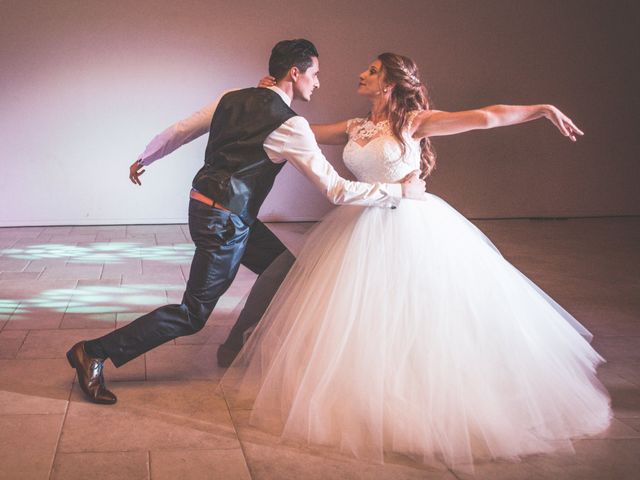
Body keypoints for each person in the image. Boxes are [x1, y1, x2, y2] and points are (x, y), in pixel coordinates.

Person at [221, 53, 612, 472]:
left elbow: (485, 117)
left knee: (418, 313)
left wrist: (541, 110)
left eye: (372, 70)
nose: (362, 73)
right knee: (356, 315)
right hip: (357, 224)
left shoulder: (414, 122)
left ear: (389, 82)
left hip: (409, 223)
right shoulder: (356, 126)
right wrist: (269, 98)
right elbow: (296, 131)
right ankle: (365, 391)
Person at [65, 40, 427, 405]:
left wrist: (146, 156)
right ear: (295, 73)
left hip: (207, 207)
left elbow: (181, 129)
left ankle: (237, 341)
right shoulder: (291, 125)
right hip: (225, 220)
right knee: (193, 314)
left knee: (286, 268)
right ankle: (94, 352)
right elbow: (335, 189)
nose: (318, 83)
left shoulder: (232, 96)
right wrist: (398, 192)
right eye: (314, 74)